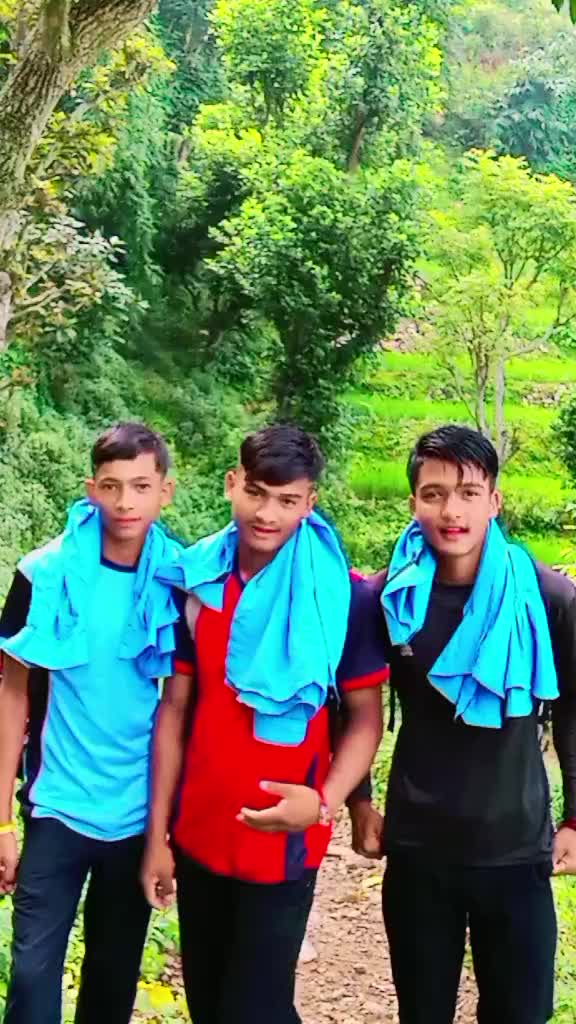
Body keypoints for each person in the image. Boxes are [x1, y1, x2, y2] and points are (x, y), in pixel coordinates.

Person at [141, 423, 388, 1024]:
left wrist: (325, 802)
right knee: (208, 1003)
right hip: (200, 827)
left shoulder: (341, 597)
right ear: (232, 484)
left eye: (287, 499)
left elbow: (365, 719)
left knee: (256, 1006)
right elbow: (175, 710)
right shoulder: (198, 583)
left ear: (310, 503)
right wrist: (156, 837)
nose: (267, 513)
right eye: (256, 492)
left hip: (286, 839)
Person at [348, 424, 576, 1024]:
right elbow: (352, 706)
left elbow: (573, 709)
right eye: (434, 493)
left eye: (469, 493)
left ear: (494, 501)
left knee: (521, 1013)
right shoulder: (387, 600)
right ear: (413, 502)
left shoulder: (547, 598)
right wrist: (359, 802)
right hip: (419, 848)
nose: (452, 511)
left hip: (517, 848)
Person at [0, 422, 192, 1024]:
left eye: (141, 486)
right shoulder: (43, 574)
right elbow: (11, 695)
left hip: (135, 813)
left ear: (165, 491)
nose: (125, 502)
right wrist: (1, 820)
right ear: (91, 489)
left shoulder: (180, 583)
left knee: (111, 981)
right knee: (31, 981)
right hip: (55, 805)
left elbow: (179, 707)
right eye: (111, 486)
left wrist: (163, 833)